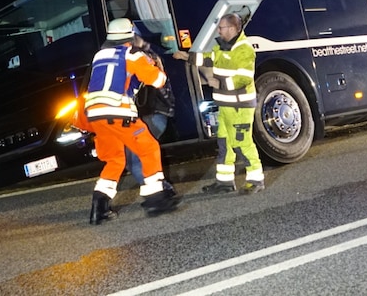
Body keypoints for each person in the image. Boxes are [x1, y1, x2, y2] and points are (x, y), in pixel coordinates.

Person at [84, 18, 181, 224]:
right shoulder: (132, 54)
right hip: (118, 113)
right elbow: (157, 80)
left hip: (95, 115)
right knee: (149, 148)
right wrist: (151, 61)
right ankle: (156, 200)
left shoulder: (99, 55)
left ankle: (98, 208)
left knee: (115, 160)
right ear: (131, 37)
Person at [175, 13, 264, 194]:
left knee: (242, 143)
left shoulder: (244, 49)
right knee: (225, 143)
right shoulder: (222, 47)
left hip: (240, 106)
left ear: (232, 29)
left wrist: (220, 83)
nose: (219, 30)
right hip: (225, 105)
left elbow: (244, 78)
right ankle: (224, 182)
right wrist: (187, 57)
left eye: (221, 27)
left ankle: (256, 180)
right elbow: (208, 58)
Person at [125, 47, 176, 185]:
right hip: (158, 118)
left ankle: (159, 191)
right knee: (137, 158)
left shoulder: (145, 77)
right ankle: (160, 188)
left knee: (134, 159)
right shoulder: (158, 74)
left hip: (151, 118)